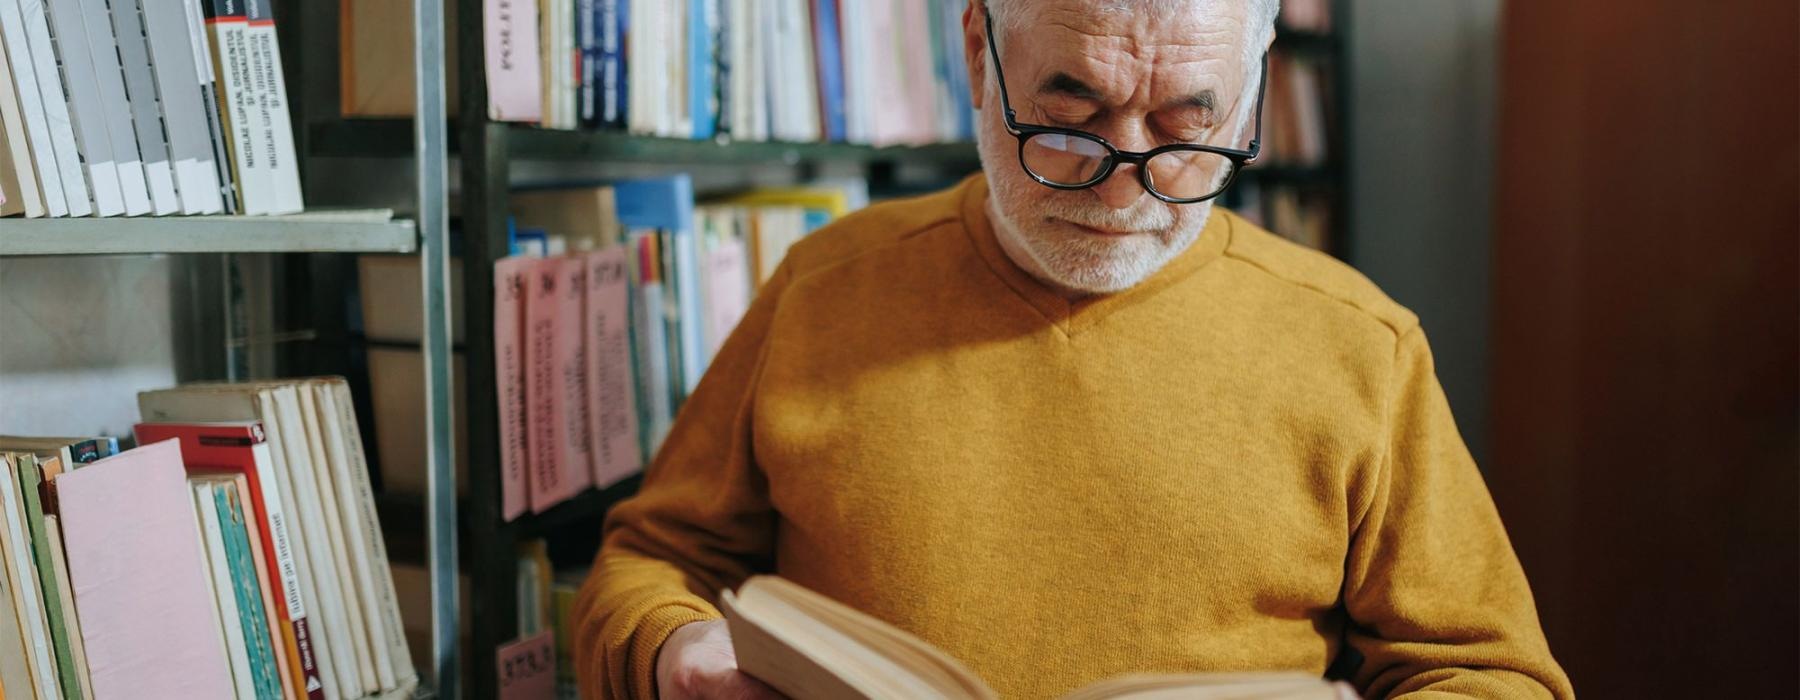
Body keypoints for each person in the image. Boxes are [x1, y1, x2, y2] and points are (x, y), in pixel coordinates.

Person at [573, 1, 1574, 698]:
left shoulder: (1363, 347)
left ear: (1252, 89)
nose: (1123, 190)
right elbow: (648, 563)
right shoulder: (823, 289)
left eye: (1188, 130)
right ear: (978, 53)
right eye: (1069, 122)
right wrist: (674, 650)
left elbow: (1492, 673)